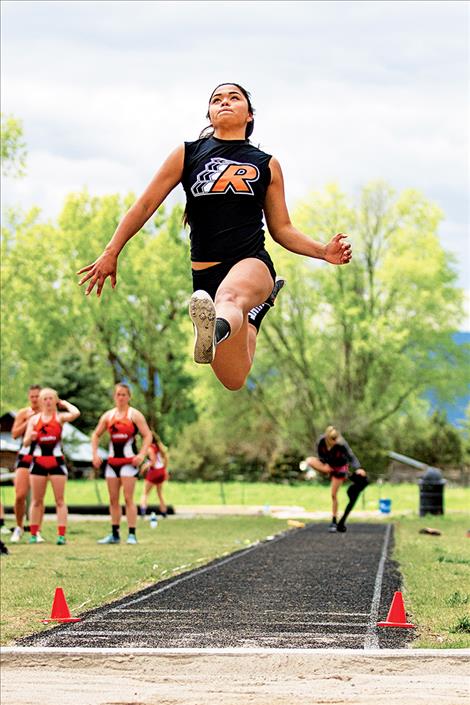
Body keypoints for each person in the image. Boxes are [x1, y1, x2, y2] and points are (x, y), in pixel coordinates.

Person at [77, 83, 352, 391]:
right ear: (208, 114)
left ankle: (214, 326)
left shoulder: (266, 164)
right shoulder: (187, 154)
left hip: (250, 262)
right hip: (206, 275)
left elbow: (282, 229)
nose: (225, 102)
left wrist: (322, 251)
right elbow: (143, 205)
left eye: (234, 98)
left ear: (249, 115)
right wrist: (112, 251)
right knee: (235, 378)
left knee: (229, 299)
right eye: (216, 99)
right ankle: (253, 315)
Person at [91, 383, 152, 545]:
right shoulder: (108, 416)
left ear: (129, 397)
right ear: (114, 396)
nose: (121, 397)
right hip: (112, 463)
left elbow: (148, 435)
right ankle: (114, 534)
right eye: (118, 394)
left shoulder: (135, 415)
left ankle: (132, 534)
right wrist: (95, 454)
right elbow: (95, 435)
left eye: (124, 394)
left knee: (128, 498)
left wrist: (141, 454)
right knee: (113, 499)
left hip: (129, 463)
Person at [23, 388, 80, 545]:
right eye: (45, 399)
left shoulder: (59, 418)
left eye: (51, 398)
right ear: (40, 402)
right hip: (38, 462)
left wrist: (64, 403)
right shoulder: (34, 420)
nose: (48, 401)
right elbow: (25, 442)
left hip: (56, 463)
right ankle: (34, 534)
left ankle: (61, 535)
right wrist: (31, 437)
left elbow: (76, 413)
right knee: (36, 500)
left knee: (60, 500)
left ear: (55, 401)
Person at [304, 425, 368, 532]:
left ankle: (334, 520)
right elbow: (320, 456)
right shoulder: (321, 442)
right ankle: (317, 473)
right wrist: (325, 465)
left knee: (333, 495)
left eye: (336, 439)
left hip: (339, 469)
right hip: (327, 466)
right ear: (327, 437)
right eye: (332, 439)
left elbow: (351, 457)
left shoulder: (341, 444)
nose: (335, 441)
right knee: (309, 460)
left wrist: (359, 468)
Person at [10, 385, 46, 543]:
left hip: (42, 456)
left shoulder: (47, 414)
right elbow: (14, 434)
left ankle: (36, 530)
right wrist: (28, 422)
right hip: (25, 456)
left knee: (38, 498)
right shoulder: (23, 413)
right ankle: (19, 527)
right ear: (29, 397)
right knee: (20, 495)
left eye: (38, 396)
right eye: (32, 396)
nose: (35, 399)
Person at [139, 435, 169, 518]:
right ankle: (164, 512)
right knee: (160, 494)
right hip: (161, 470)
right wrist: (165, 470)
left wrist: (144, 467)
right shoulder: (160, 447)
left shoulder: (150, 448)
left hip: (154, 472)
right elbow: (166, 459)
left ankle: (143, 511)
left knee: (145, 493)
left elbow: (153, 461)